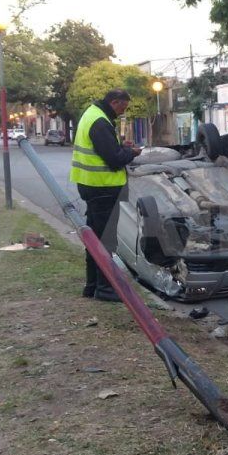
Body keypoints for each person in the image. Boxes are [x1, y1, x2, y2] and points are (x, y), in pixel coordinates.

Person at [71, 89, 142, 302]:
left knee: (94, 238)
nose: (123, 111)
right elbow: (114, 159)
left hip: (91, 186)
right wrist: (131, 153)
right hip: (102, 188)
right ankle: (105, 288)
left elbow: (104, 150)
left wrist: (121, 147)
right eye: (122, 107)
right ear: (114, 102)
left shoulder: (92, 114)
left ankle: (92, 285)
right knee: (105, 240)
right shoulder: (100, 122)